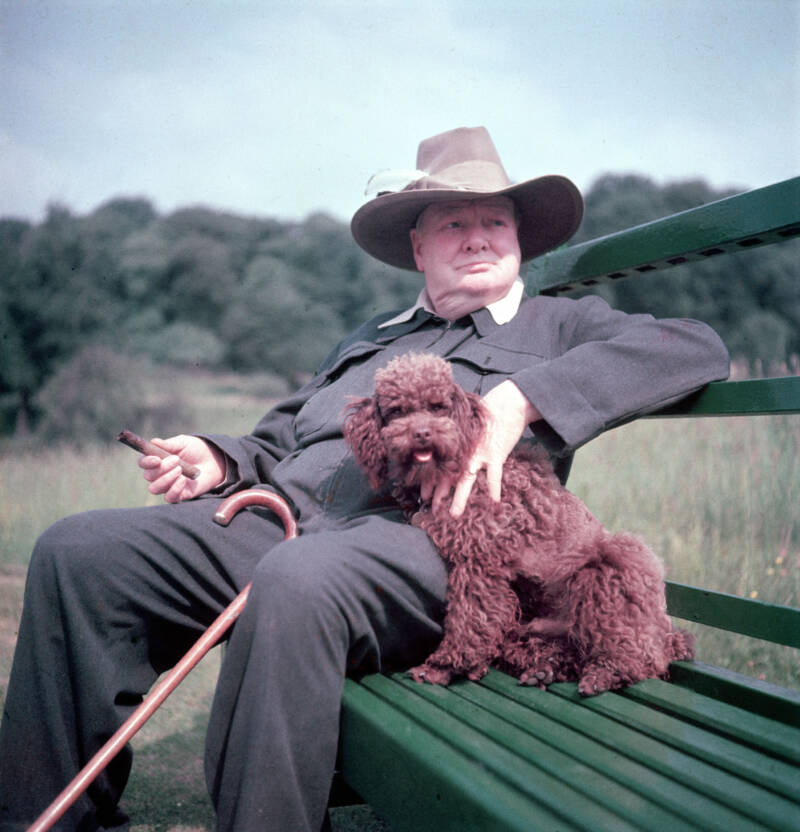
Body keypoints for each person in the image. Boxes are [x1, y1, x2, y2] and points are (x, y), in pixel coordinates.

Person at [0, 126, 730, 831]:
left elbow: (693, 347)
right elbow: (279, 437)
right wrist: (219, 459)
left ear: (519, 238)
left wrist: (525, 396)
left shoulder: (557, 327)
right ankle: (43, 819)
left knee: (298, 577)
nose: (477, 236)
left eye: (494, 221)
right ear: (418, 246)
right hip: (280, 518)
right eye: (453, 223)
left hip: (425, 545)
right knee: (77, 554)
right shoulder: (369, 340)